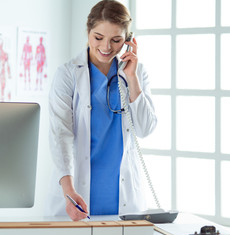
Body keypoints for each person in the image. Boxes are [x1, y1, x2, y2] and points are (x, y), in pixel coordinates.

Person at [48, 0, 157, 221]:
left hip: (124, 199)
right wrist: (68, 191)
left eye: (116, 40)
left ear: (128, 41)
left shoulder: (136, 74)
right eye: (98, 38)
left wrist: (132, 78)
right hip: (77, 194)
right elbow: (61, 135)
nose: (106, 47)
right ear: (87, 32)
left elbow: (145, 129)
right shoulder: (68, 74)